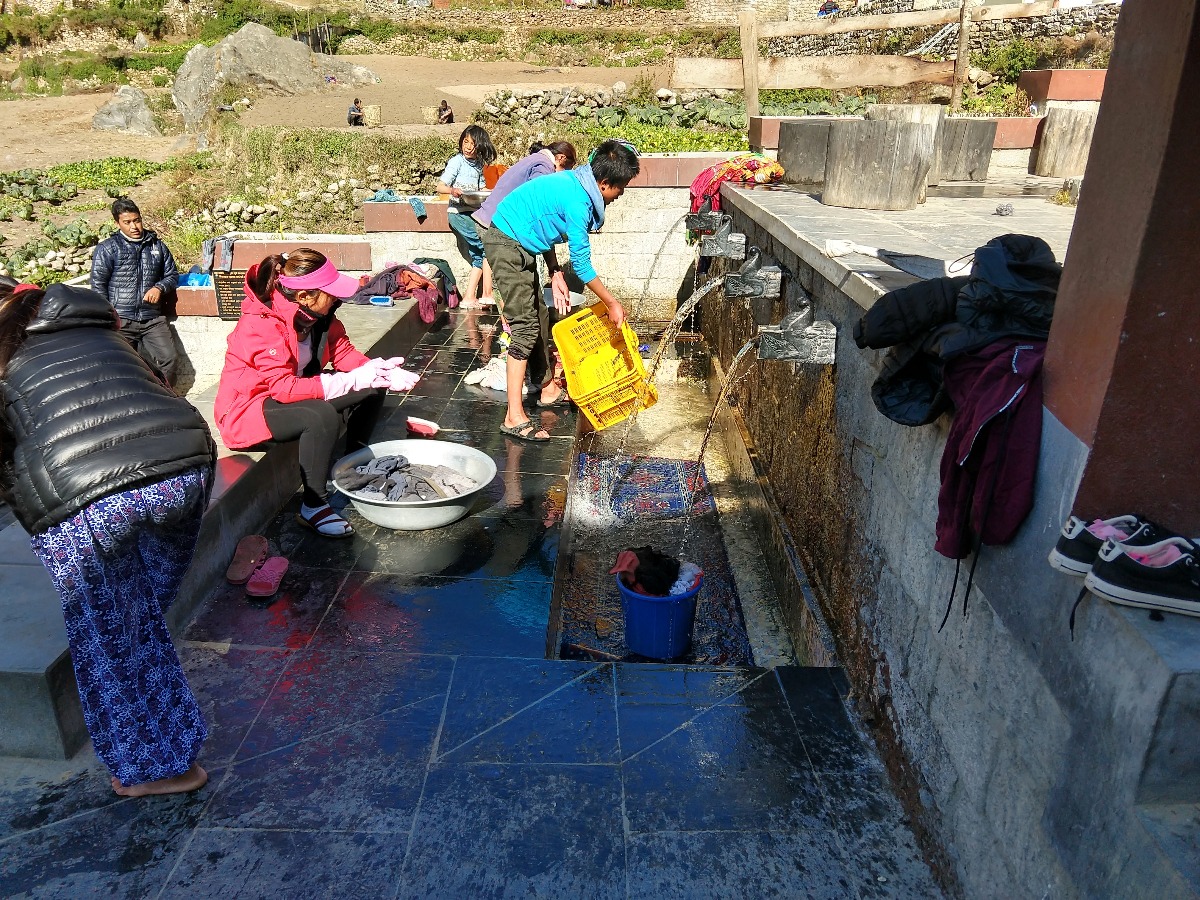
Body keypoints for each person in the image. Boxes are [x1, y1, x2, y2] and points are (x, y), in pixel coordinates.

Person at [0, 281, 217, 797]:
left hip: (91, 499)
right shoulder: (105, 332)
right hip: (184, 470)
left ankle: (159, 769)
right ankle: (166, 745)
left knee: (109, 639)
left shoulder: (5, 356)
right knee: (137, 619)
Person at [214, 248, 420, 538]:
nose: (337, 297)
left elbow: (344, 352)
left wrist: (378, 370)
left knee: (373, 385)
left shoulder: (318, 316)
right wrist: (351, 381)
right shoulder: (261, 323)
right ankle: (313, 506)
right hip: (249, 409)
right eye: (331, 292)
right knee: (320, 416)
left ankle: (353, 467)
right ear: (305, 296)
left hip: (290, 391)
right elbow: (283, 389)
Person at [482, 138, 639, 441]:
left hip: (520, 240)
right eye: (621, 188)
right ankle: (513, 417)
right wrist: (611, 303)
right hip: (505, 241)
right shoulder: (578, 201)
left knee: (539, 316)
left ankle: (547, 389)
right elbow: (581, 263)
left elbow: (544, 223)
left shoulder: (575, 182)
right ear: (605, 183)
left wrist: (554, 271)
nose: (620, 195)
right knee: (525, 328)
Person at [90, 197, 180, 387]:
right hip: (121, 319)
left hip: (152, 319)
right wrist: (108, 318)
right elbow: (98, 286)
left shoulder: (157, 246)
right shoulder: (108, 248)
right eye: (127, 222)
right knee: (122, 367)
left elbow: (172, 275)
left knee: (169, 359)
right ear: (117, 223)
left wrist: (159, 287)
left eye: (137, 220)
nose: (134, 226)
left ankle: (163, 399)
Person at [437, 124, 497, 307]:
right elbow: (439, 186)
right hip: (458, 214)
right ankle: (488, 293)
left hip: (472, 213)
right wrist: (452, 190)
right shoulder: (457, 161)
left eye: (473, 143)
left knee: (478, 255)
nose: (468, 147)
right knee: (487, 246)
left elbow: (479, 189)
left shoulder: (479, 164)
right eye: (465, 142)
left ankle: (469, 297)